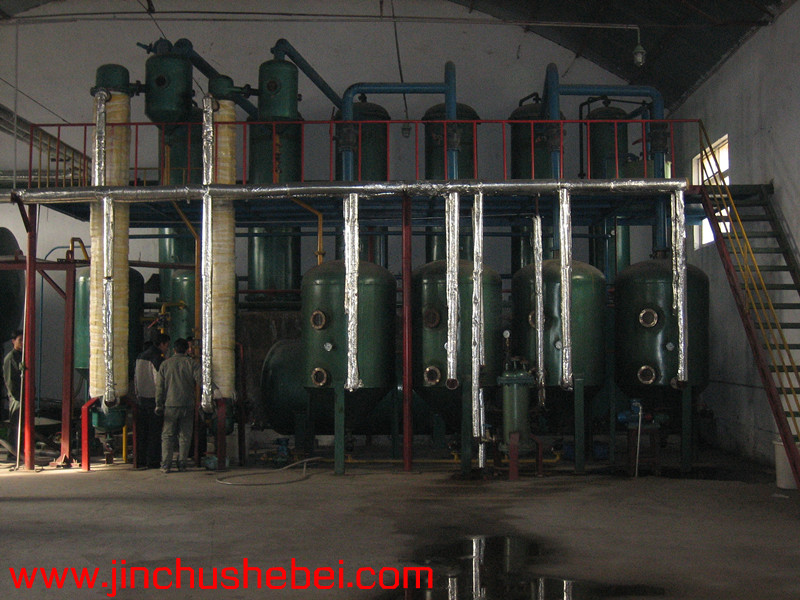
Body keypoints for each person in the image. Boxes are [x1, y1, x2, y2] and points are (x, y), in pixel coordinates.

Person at [155, 337, 200, 473]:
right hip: (188, 404)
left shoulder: (165, 364)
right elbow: (202, 381)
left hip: (170, 405)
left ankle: (166, 465)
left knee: (168, 435)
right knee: (185, 435)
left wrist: (158, 404)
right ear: (187, 349)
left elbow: (159, 387)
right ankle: (182, 464)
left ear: (174, 349)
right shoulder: (192, 364)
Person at [133, 331, 170, 468]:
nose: (167, 348)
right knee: (155, 433)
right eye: (167, 345)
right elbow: (158, 381)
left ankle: (140, 459)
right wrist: (161, 400)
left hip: (141, 399)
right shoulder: (157, 357)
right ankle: (153, 461)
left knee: (142, 432)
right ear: (162, 344)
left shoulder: (140, 356)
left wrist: (137, 395)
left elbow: (135, 379)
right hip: (153, 400)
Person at [2, 330, 23, 450]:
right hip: (17, 398)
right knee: (16, 424)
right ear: (13, 341)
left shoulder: (22, 356)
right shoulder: (11, 358)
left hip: (23, 396)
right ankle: (13, 451)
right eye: (20, 340)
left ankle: (20, 449)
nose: (23, 343)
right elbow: (10, 381)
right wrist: (18, 396)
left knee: (22, 425)